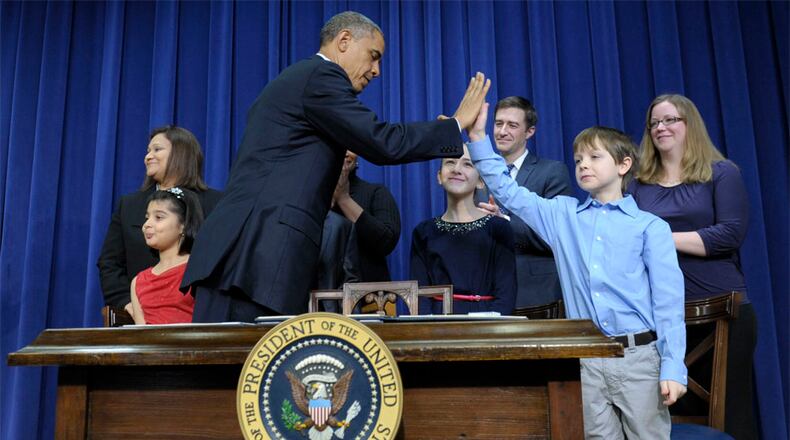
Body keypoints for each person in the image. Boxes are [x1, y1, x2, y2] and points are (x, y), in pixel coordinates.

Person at [182, 11, 490, 322]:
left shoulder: (301, 79)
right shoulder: (321, 76)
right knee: (240, 368)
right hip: (252, 260)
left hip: (253, 261)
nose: (376, 70)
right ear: (344, 40)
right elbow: (381, 141)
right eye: (373, 56)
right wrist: (455, 124)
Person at [469, 104, 687, 439]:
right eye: (579, 160)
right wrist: (478, 138)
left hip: (639, 359)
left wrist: (673, 366)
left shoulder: (650, 227)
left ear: (623, 165)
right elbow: (508, 191)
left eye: (594, 157)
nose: (583, 165)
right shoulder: (562, 215)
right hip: (586, 359)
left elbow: (669, 304)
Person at [628, 94, 756, 439]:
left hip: (722, 311)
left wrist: (659, 237)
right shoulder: (638, 184)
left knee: (731, 412)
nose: (661, 128)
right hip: (663, 318)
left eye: (670, 120)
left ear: (690, 125)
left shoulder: (721, 173)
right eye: (654, 123)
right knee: (669, 416)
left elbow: (728, 235)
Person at [97, 126, 222, 316]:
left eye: (157, 149)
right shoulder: (129, 205)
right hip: (139, 315)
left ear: (181, 153)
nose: (148, 157)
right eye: (148, 151)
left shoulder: (216, 203)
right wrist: (126, 302)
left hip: (200, 315)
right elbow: (110, 262)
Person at [478, 96, 572, 308]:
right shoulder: (479, 174)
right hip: (487, 293)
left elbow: (558, 235)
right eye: (498, 123)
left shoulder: (552, 172)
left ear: (529, 132)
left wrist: (505, 222)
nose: (502, 131)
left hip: (537, 294)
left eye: (512, 125)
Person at [410, 145, 516, 315]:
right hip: (438, 325)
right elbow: (419, 297)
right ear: (439, 176)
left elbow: (506, 296)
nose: (457, 169)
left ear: (481, 181)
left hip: (486, 325)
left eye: (467, 164)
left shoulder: (498, 229)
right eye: (450, 162)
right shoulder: (423, 232)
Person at [129, 188, 203, 324]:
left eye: (158, 217)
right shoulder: (138, 282)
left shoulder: (199, 270)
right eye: (147, 218)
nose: (146, 225)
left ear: (183, 225)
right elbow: (141, 335)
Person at [332, 150, 400, 282]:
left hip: (371, 298)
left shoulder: (376, 192)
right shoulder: (312, 196)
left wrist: (344, 199)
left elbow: (387, 241)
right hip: (319, 297)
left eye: (350, 146)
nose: (345, 152)